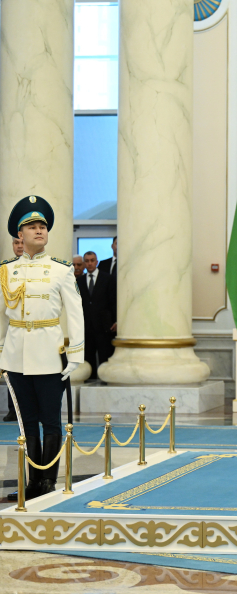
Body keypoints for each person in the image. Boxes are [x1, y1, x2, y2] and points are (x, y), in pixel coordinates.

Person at [1, 196, 84, 501]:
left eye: (42, 226)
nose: (39, 231)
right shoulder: (6, 272)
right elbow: (1, 318)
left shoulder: (61, 271)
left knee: (50, 420)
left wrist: (75, 356)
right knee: (26, 422)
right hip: (17, 355)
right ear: (19, 236)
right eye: (32, 227)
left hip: (50, 355)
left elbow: (75, 316)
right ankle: (31, 482)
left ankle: (47, 480)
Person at [77, 251, 116, 380]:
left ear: (97, 262)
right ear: (84, 263)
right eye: (87, 261)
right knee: (88, 356)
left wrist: (115, 321)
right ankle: (90, 380)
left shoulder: (107, 278)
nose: (90, 263)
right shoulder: (79, 281)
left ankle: (105, 379)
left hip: (104, 325)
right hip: (86, 325)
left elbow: (113, 301)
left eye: (92, 260)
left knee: (105, 354)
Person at [3, 236, 24, 423]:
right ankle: (13, 409)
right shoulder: (5, 269)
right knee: (12, 371)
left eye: (22, 242)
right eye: (16, 243)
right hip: (12, 330)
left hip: (34, 330)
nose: (19, 246)